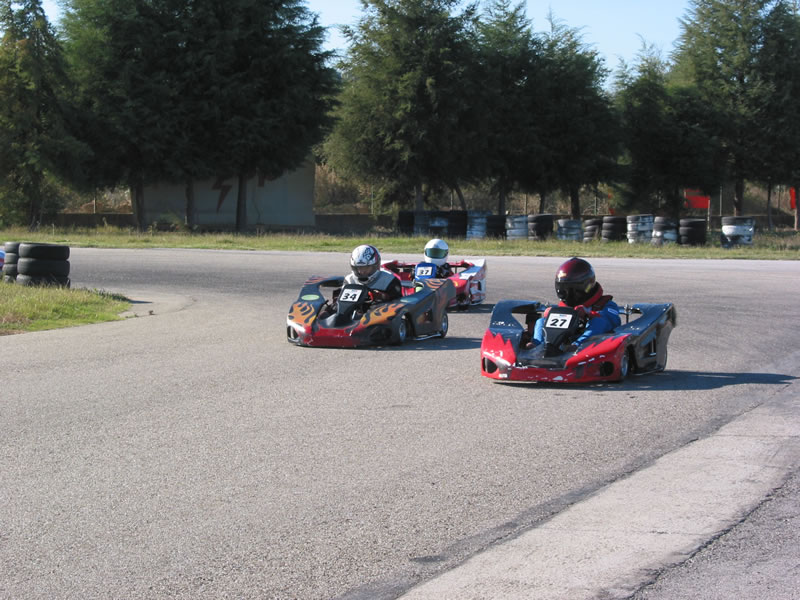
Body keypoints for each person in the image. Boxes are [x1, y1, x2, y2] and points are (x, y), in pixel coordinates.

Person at [527, 257, 621, 350]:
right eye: (564, 288)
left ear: (587, 285)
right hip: (564, 339)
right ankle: (537, 345)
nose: (567, 293)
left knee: (598, 322)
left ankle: (577, 345)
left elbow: (612, 320)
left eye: (571, 289)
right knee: (541, 321)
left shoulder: (605, 304)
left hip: (592, 344)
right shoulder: (565, 305)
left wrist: (588, 314)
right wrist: (550, 314)